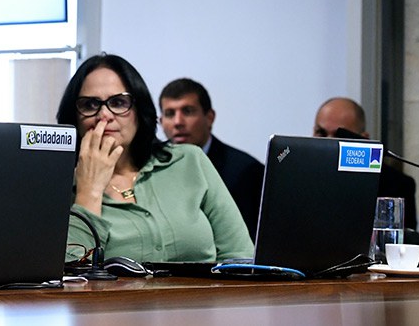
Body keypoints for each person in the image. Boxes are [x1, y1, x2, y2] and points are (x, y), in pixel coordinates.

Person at [57, 54, 253, 263]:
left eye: (118, 102)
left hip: (208, 295)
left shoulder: (189, 160)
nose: (104, 114)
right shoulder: (57, 185)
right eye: (89, 105)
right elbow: (70, 277)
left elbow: (241, 256)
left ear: (139, 111)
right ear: (74, 117)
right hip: (116, 297)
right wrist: (90, 192)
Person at [158, 78, 264, 239]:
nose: (178, 122)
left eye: (188, 111)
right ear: (161, 121)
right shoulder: (148, 165)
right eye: (170, 114)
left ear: (210, 117)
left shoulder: (246, 171)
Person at [313, 97, 418, 230]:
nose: (328, 142)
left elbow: (406, 243)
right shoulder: (298, 177)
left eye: (339, 134)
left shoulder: (396, 185)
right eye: (321, 133)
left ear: (363, 139)